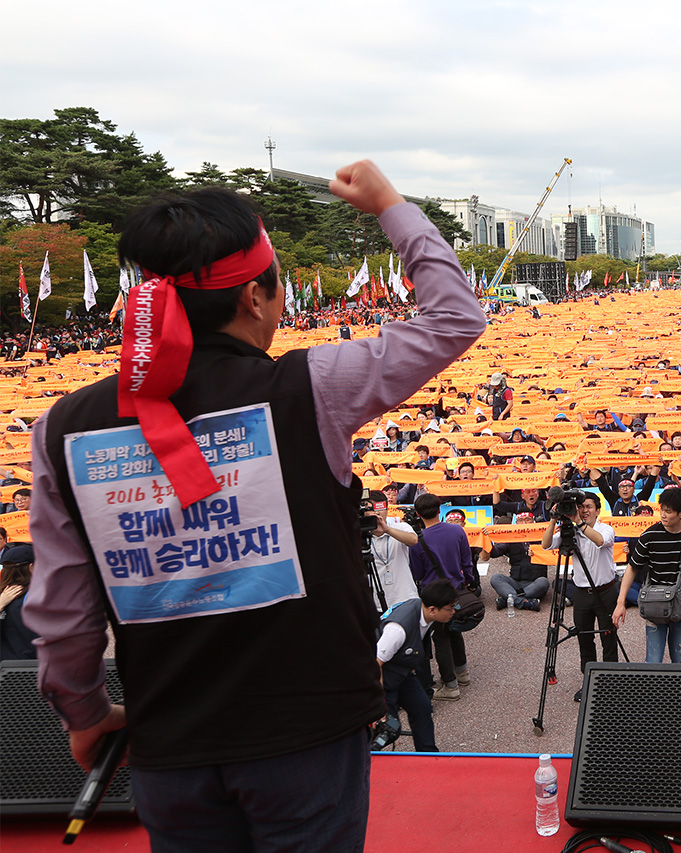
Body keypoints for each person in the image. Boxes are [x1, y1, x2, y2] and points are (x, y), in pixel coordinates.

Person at [25, 160, 488, 849]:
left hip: (169, 740)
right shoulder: (314, 385)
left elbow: (63, 610)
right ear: (255, 296)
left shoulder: (63, 426)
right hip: (306, 736)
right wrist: (390, 202)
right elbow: (454, 316)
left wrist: (85, 710)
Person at [612, 486, 681, 663]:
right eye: (661, 510)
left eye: (668, 511)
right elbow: (632, 568)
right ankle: (652, 690)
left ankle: (677, 689)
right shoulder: (650, 535)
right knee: (653, 659)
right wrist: (620, 603)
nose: (663, 515)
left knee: (680, 659)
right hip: (655, 604)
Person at [542, 493, 617, 701]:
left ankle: (612, 684)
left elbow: (601, 541)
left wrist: (578, 523)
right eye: (581, 507)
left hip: (606, 591)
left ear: (598, 510)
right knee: (585, 640)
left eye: (589, 507)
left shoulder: (605, 528)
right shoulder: (570, 531)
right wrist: (554, 519)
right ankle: (590, 682)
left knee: (608, 638)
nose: (584, 510)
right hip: (582, 593)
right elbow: (546, 544)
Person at [375, 580, 460, 753]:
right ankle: (368, 753)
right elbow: (374, 664)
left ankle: (427, 755)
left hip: (402, 672)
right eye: (450, 608)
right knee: (390, 729)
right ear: (432, 610)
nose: (453, 612)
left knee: (422, 707)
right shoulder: (398, 629)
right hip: (381, 678)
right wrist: (378, 704)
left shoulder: (424, 611)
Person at [411, 493, 477, 700]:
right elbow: (467, 562)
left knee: (440, 638)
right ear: (440, 509)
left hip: (434, 595)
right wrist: (470, 582)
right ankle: (462, 672)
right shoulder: (457, 530)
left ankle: (450, 685)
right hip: (457, 589)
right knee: (455, 631)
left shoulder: (417, 540)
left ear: (418, 514)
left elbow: (417, 573)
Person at [367, 493, 421, 611]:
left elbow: (413, 540)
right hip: (375, 603)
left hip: (405, 598)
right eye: (370, 509)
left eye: (379, 508)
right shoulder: (361, 536)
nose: (376, 513)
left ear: (387, 509)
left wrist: (387, 529)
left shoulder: (400, 527)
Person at [0, 542, 38, 661]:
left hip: (5, 670)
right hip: (34, 668)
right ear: (31, 567)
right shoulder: (39, 596)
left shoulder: (3, 595)